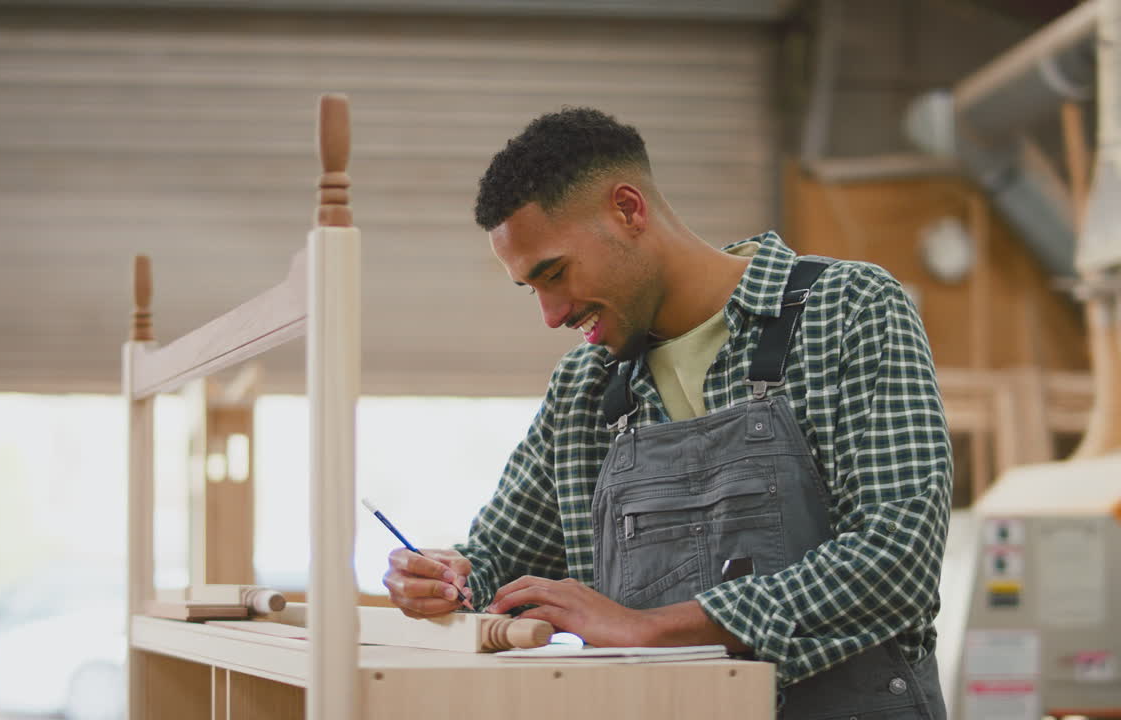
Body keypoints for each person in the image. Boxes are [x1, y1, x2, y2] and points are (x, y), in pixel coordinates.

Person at [382, 107, 952, 718]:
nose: (551, 314)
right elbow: (500, 569)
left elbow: (898, 558)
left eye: (556, 273)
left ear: (629, 210)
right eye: (531, 288)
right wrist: (447, 579)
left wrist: (648, 628)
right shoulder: (583, 388)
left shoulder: (849, 309)